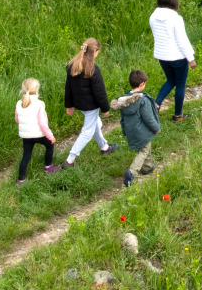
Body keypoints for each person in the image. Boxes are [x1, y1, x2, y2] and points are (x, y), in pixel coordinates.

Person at [62, 37, 115, 166]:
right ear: (95, 51)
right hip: (90, 106)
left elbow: (68, 87)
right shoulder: (93, 69)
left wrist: (69, 105)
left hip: (79, 104)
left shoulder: (72, 65)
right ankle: (70, 159)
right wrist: (105, 108)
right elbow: (99, 91)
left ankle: (105, 147)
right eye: (98, 52)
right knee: (87, 131)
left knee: (95, 124)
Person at [150, 0, 197, 121]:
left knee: (171, 80)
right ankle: (177, 115)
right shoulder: (176, 18)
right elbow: (182, 41)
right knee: (180, 83)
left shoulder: (153, 16)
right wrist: (191, 59)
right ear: (173, 1)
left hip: (162, 55)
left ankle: (156, 104)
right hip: (177, 57)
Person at [112, 68, 162, 187]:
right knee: (144, 150)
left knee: (146, 146)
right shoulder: (142, 100)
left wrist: (124, 131)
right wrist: (156, 128)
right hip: (142, 131)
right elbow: (148, 118)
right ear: (142, 84)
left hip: (131, 130)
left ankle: (147, 167)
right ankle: (132, 172)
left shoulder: (125, 100)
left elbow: (122, 119)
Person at [14, 78, 59, 183]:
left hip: (26, 136)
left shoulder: (19, 103)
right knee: (49, 145)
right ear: (37, 89)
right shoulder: (39, 104)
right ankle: (48, 167)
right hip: (38, 134)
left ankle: (21, 180)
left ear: (23, 89)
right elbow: (43, 124)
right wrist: (50, 136)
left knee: (26, 156)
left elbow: (17, 120)